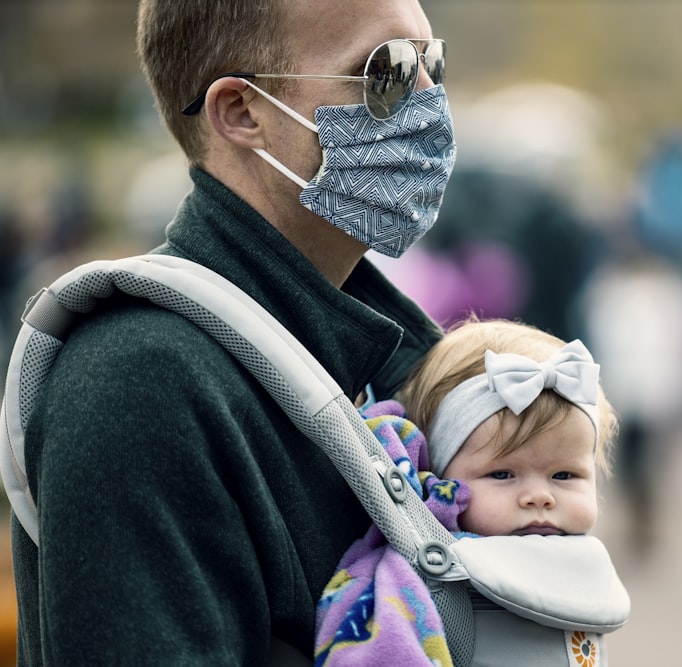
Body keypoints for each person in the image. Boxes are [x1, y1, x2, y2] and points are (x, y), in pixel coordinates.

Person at [9, 0, 455, 664]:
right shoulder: (142, 384)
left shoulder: (365, 354)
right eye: (384, 70)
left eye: (433, 64)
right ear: (242, 113)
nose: (430, 102)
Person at [313, 317, 618, 663]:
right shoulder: (421, 580)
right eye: (502, 474)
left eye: (564, 475)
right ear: (441, 477)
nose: (539, 497)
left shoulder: (582, 566)